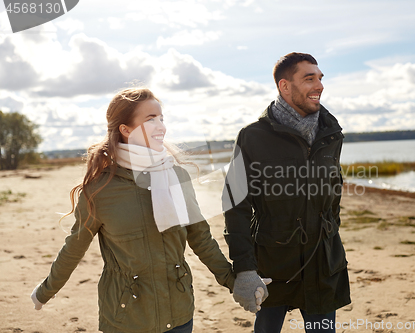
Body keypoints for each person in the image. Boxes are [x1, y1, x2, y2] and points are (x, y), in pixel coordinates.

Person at [30, 88, 235, 333]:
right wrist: (45, 291)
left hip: (179, 311)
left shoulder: (176, 176)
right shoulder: (99, 189)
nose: (161, 126)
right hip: (126, 317)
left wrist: (234, 281)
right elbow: (74, 247)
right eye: (150, 119)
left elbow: (201, 237)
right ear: (125, 130)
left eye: (161, 118)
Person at [222, 52, 351, 332]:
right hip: (273, 262)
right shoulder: (253, 136)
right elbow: (235, 204)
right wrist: (244, 267)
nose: (319, 85)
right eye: (309, 78)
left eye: (320, 78)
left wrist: (329, 230)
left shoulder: (332, 133)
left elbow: (333, 193)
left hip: (322, 261)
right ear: (285, 86)